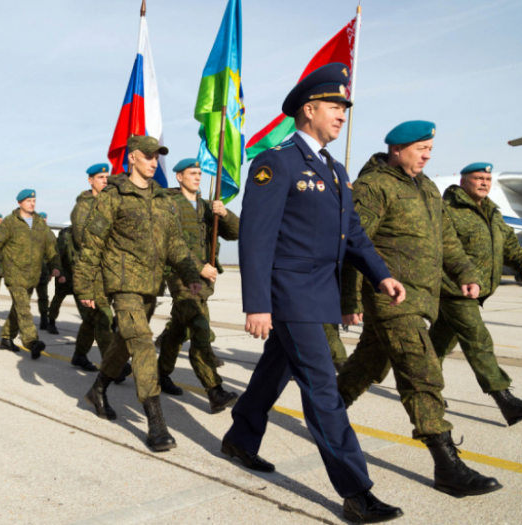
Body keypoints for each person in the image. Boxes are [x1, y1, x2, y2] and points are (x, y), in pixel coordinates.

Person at [223, 64, 404, 523]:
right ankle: (356, 490)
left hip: (317, 293)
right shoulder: (277, 162)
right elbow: (256, 238)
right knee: (323, 389)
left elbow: (353, 233)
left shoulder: (334, 169)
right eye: (334, 106)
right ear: (309, 110)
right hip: (290, 294)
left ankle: (240, 438)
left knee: (275, 368)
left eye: (344, 107)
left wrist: (381, 275)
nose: (342, 114)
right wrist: (257, 304)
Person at [337, 120, 502, 498]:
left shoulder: (427, 188)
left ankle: (325, 413)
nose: (427, 155)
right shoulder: (373, 186)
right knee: (421, 372)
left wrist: (464, 272)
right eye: (421, 148)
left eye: (430, 149)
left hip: (422, 296)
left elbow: (447, 239)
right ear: (397, 149)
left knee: (367, 365)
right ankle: (447, 465)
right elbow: (353, 243)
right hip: (389, 296)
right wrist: (349, 300)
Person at [75, 135, 202, 452]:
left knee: (124, 341)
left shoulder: (162, 198)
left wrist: (191, 275)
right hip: (123, 285)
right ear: (132, 158)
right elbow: (92, 242)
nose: (153, 162)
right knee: (143, 344)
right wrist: (85, 285)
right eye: (147, 156)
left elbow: (175, 244)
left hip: (150, 286)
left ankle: (98, 390)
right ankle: (156, 422)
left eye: (157, 157)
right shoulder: (114, 195)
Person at [429, 162, 522, 425]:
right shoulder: (447, 210)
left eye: (487, 179)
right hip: (453, 288)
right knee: (478, 340)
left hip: (475, 290)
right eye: (478, 178)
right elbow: (441, 249)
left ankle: (426, 391)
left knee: (438, 344)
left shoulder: (492, 212)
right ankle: (506, 401)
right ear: (463, 181)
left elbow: (511, 246)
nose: (484, 182)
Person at [155, 157, 239, 414]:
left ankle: (159, 375)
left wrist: (224, 214)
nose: (197, 177)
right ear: (179, 177)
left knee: (178, 331)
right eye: (192, 173)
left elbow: (235, 233)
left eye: (199, 173)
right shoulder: (169, 204)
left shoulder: (206, 207)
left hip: (202, 281)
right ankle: (215, 391)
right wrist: (199, 266)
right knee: (200, 331)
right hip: (180, 275)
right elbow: (170, 242)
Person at [0, 190, 63, 358]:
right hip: (14, 274)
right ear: (20, 203)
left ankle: (6, 337)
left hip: (32, 275)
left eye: (34, 200)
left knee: (18, 308)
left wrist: (55, 265)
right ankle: (31, 341)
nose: (32, 203)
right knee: (24, 308)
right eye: (28, 200)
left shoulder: (39, 223)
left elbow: (51, 246)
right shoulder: (10, 222)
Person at [67, 163, 118, 373]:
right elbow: (84, 239)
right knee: (104, 318)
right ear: (90, 180)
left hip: (109, 270)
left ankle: (79, 355)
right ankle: (113, 365)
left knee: (91, 319)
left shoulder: (111, 202)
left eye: (107, 177)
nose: (105, 181)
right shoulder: (83, 207)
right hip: (90, 270)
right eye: (100, 177)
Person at [33, 212, 56, 331]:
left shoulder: (49, 234)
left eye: (45, 219)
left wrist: (52, 270)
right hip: (30, 271)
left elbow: (52, 254)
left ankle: (43, 318)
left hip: (43, 271)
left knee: (43, 297)